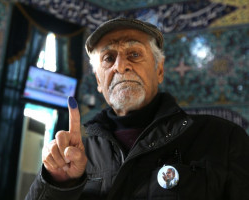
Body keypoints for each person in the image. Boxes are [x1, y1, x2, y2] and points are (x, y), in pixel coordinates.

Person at [25, 17, 249, 200]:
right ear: (98, 82)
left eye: (134, 54)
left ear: (159, 70)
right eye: (108, 58)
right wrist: (60, 183)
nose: (121, 66)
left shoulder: (223, 139)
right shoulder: (76, 155)